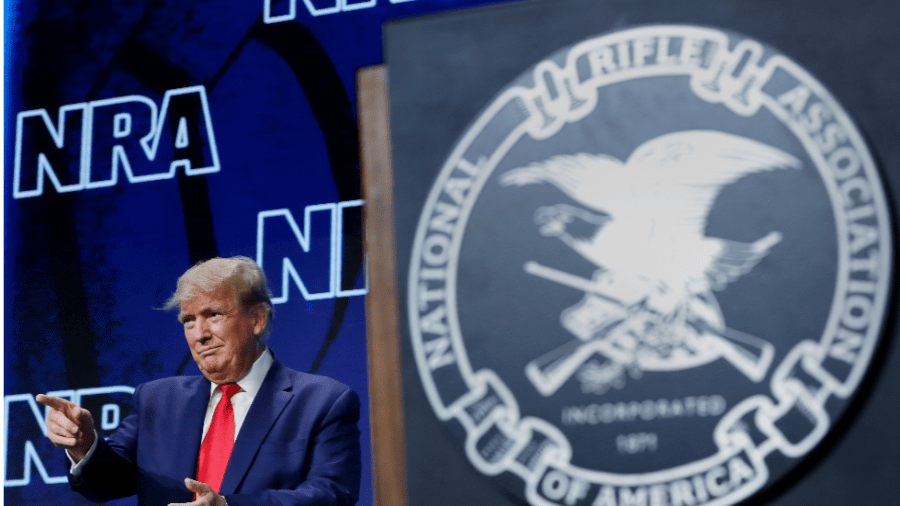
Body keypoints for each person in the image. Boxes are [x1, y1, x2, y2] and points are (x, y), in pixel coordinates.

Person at [37, 256, 361, 506]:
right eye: (188, 320)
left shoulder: (322, 402)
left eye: (214, 315)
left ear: (257, 319)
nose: (200, 335)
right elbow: (108, 481)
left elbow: (331, 494)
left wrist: (228, 505)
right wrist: (84, 446)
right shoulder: (157, 400)